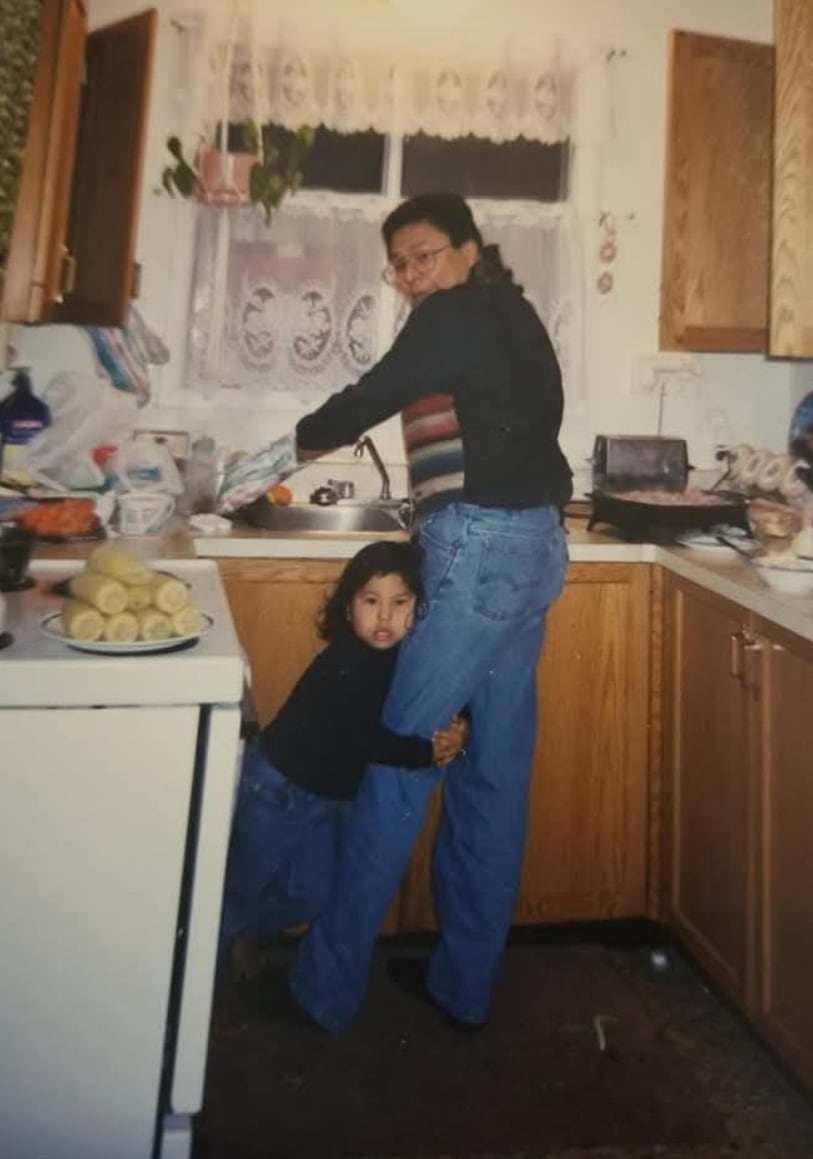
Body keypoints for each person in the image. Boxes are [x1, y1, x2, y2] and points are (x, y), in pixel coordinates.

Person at [278, 191, 573, 1033]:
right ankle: (463, 984)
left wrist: (292, 444)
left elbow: (373, 393)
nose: (410, 276)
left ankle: (321, 989)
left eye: (424, 255)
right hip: (532, 546)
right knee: (492, 774)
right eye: (398, 265)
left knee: (399, 759)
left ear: (469, 250)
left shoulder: (456, 312)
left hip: (479, 548)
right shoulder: (509, 315)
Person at [218, 540, 468, 972]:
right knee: (239, 888)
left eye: (400, 602)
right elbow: (363, 739)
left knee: (309, 894)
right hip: (276, 788)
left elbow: (447, 683)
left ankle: (238, 932)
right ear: (349, 608)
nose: (385, 617)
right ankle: (197, 984)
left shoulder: (401, 655)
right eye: (371, 602)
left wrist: (462, 724)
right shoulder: (350, 661)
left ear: (418, 607)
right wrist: (426, 752)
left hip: (323, 797)